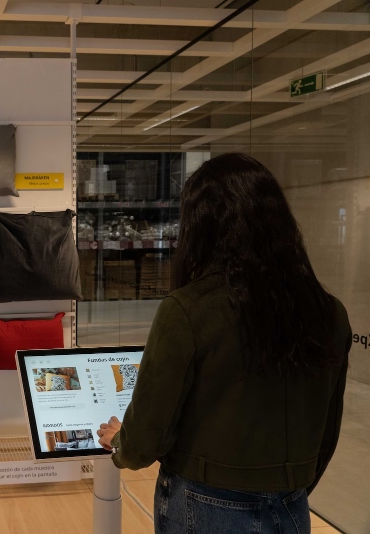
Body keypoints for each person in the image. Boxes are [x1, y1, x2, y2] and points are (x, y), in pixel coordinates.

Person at [96, 153, 352, 534]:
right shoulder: (328, 311)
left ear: (200, 226)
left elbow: (149, 432)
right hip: (292, 504)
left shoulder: (187, 310)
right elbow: (327, 430)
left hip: (204, 504)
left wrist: (123, 445)